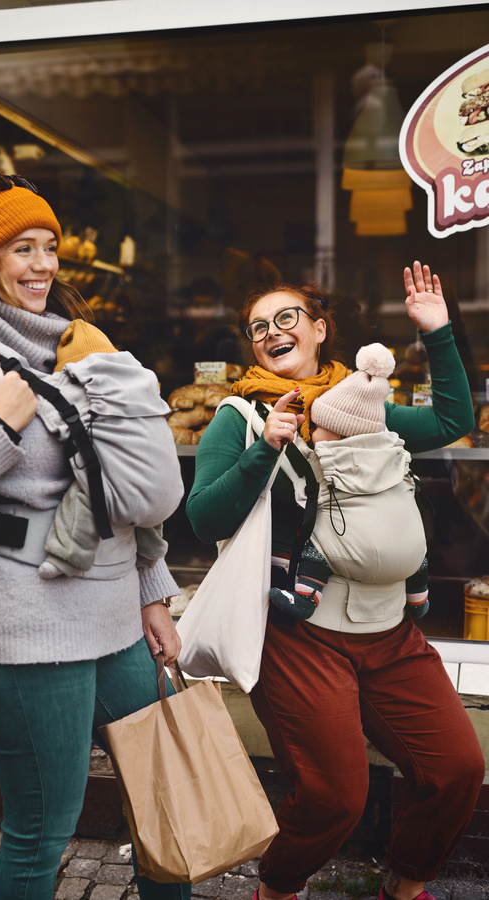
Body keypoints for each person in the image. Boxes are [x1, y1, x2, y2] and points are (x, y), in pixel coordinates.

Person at [0, 171, 188, 900]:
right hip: (25, 632)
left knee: (167, 797)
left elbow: (116, 486)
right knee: (44, 831)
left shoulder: (79, 345)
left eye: (49, 247)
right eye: (22, 248)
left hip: (116, 618)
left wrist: (153, 593)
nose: (44, 266)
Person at [186, 262, 485, 900]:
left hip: (389, 628)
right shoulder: (238, 416)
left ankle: (404, 889)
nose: (271, 331)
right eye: (257, 326)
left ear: (321, 328)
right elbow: (203, 516)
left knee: (457, 768)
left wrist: (437, 332)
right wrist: (264, 445)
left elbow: (453, 421)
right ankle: (279, 888)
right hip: (300, 633)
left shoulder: (364, 405)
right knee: (334, 795)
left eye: (286, 318)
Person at [266, 342, 429, 621]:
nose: (312, 430)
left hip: (355, 554)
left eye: (317, 426)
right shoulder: (393, 450)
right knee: (415, 547)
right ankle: (418, 599)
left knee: (316, 547)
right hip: (411, 557)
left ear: (339, 434)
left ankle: (305, 598)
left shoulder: (331, 456)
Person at [37, 317, 169, 579]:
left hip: (115, 475)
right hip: (164, 484)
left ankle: (68, 555)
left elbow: (55, 415)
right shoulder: (140, 381)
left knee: (85, 493)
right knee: (145, 497)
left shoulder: (78, 384)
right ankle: (151, 550)